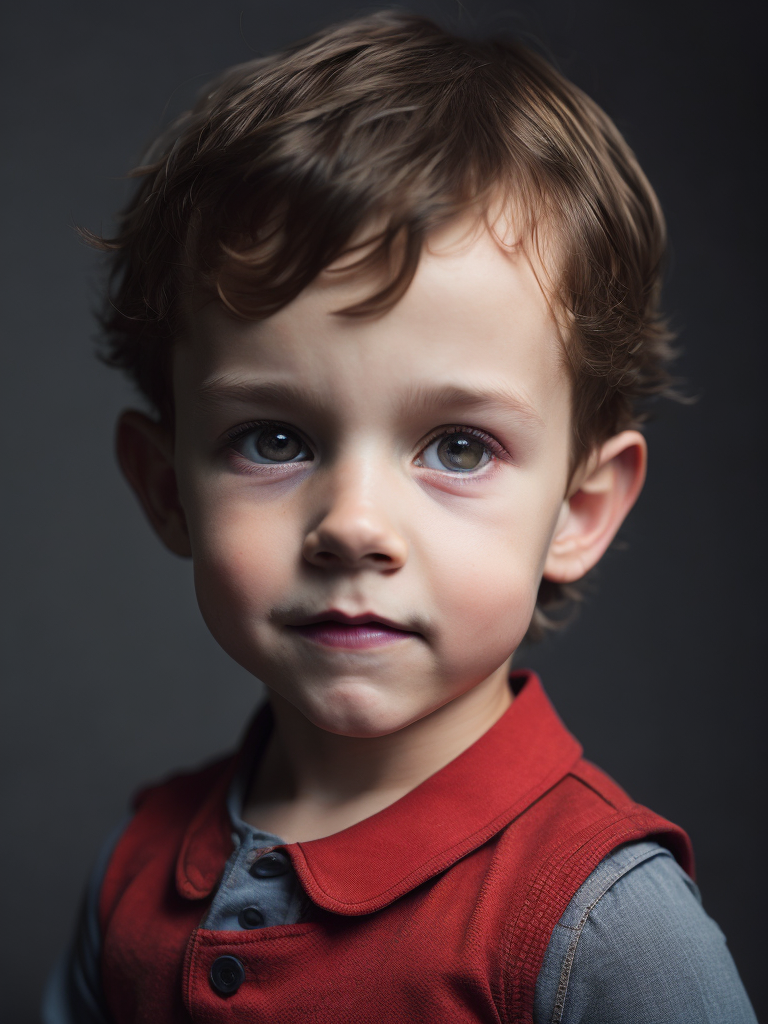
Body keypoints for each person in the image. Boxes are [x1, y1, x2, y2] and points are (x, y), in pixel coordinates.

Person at [43, 11, 757, 1023]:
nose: (354, 525)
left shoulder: (603, 926)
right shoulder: (137, 868)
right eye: (275, 439)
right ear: (167, 490)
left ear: (578, 510)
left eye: (458, 448)